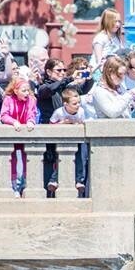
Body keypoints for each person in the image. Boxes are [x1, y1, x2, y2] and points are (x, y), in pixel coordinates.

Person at [37, 57, 93, 196]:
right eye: (58, 70)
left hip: (67, 133)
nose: (62, 72)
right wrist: (68, 78)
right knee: (50, 168)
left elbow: (81, 89)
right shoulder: (44, 87)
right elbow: (51, 89)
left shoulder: (65, 87)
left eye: (64, 70)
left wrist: (89, 78)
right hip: (50, 133)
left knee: (69, 161)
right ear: (49, 72)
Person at [0, 76, 37, 196]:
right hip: (12, 133)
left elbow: (32, 113)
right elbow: (4, 115)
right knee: (13, 159)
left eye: (27, 90)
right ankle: (14, 185)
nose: (27, 93)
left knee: (27, 158)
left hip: (25, 134)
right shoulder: (8, 99)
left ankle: (25, 184)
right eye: (23, 90)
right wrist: (14, 122)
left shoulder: (31, 100)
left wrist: (31, 121)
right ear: (16, 91)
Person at [49, 87, 90, 196]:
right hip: (63, 140)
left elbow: (83, 123)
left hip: (79, 140)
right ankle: (54, 180)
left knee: (81, 160)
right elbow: (50, 125)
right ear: (65, 104)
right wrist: (61, 124)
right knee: (60, 160)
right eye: (74, 103)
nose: (78, 105)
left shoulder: (81, 111)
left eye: (79, 103)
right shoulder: (59, 112)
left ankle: (79, 180)